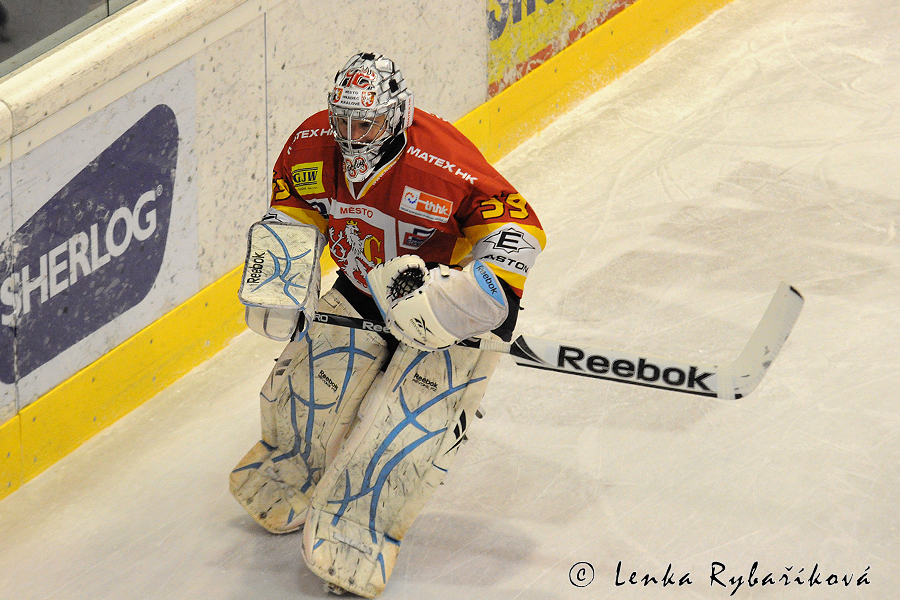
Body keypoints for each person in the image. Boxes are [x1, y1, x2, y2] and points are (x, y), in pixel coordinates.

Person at [230, 52, 545, 597]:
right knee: (306, 389)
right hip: (362, 285)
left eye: (367, 124)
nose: (352, 136)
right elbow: (296, 206)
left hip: (438, 303)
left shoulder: (442, 162)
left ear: (396, 115)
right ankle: (292, 468)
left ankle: (360, 531)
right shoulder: (312, 143)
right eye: (345, 121)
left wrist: (471, 299)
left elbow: (517, 227)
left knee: (403, 427)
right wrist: (283, 273)